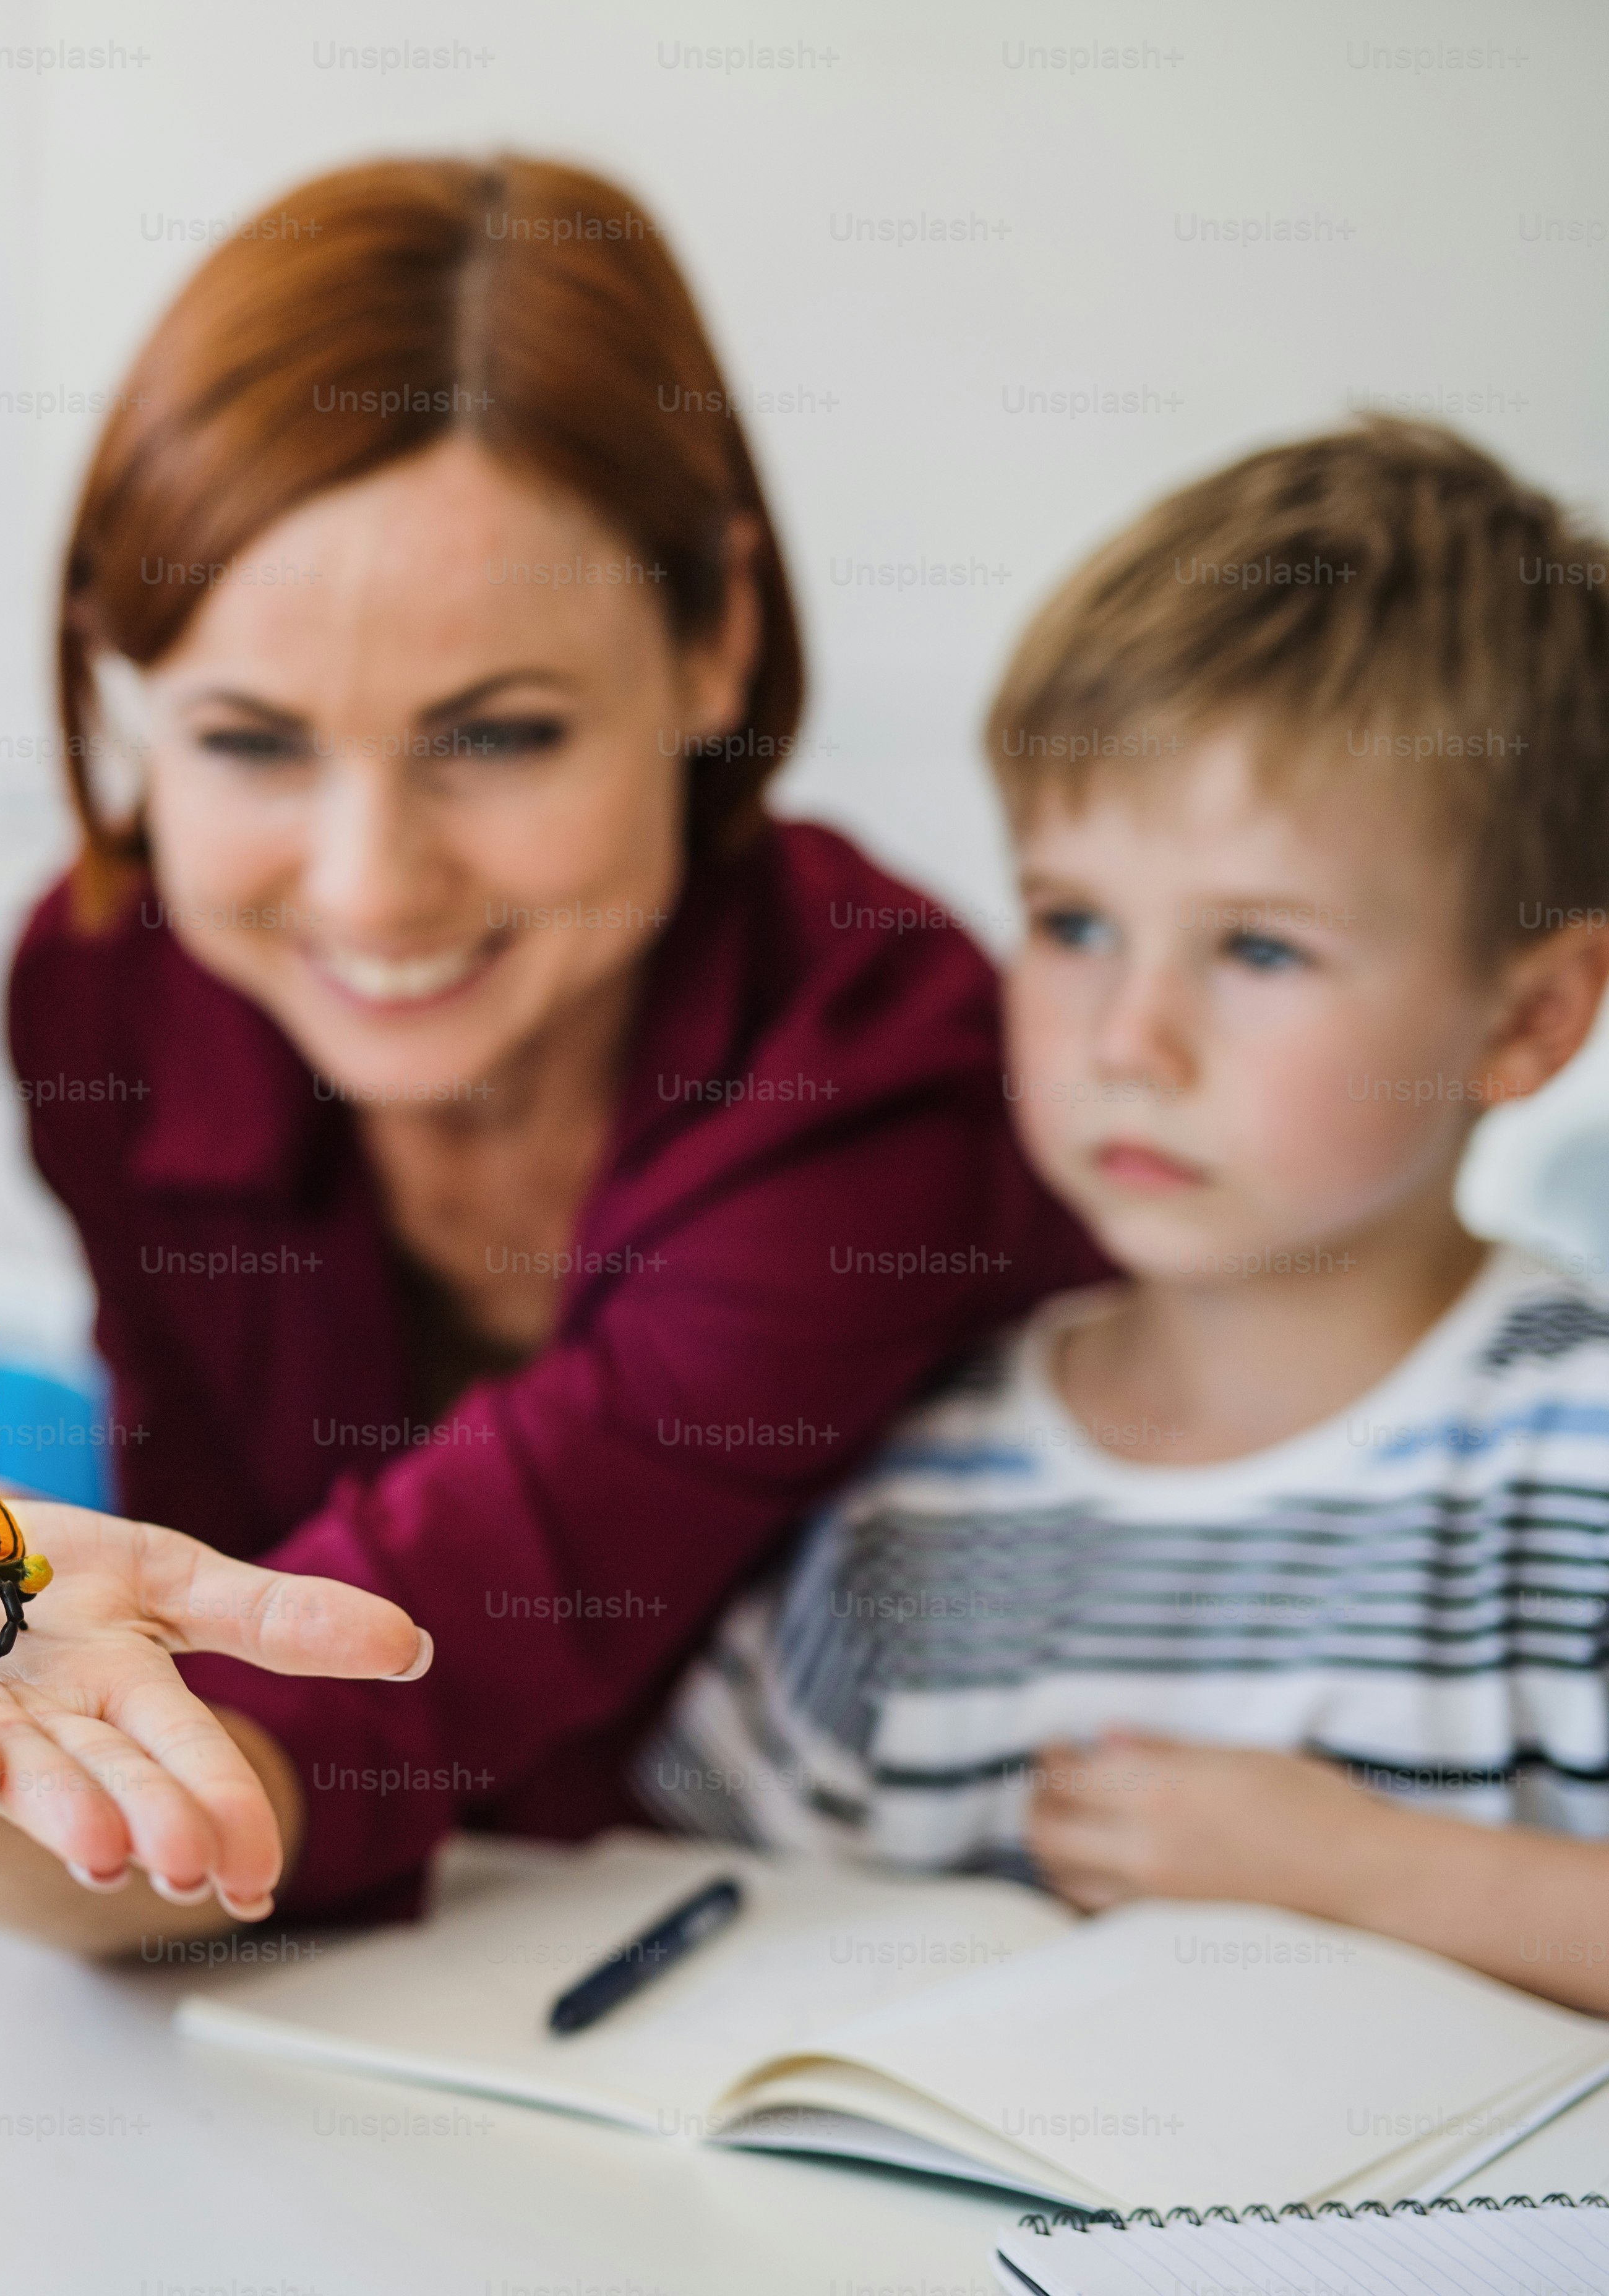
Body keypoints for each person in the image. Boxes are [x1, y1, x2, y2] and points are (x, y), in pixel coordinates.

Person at [0, 154, 1105, 1943]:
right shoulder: (115, 1003)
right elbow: (209, 1735)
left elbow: (318, 1729)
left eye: (501, 735)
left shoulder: (881, 1073)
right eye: (249, 743)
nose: (371, 888)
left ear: (715, 638)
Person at [639, 420, 1609, 2011]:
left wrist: (1358, 1874)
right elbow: (707, 1921)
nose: (1127, 1039)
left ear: (1530, 1017)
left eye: (1261, 949)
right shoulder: (913, 1503)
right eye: (1075, 922)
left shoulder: (1575, 1459)